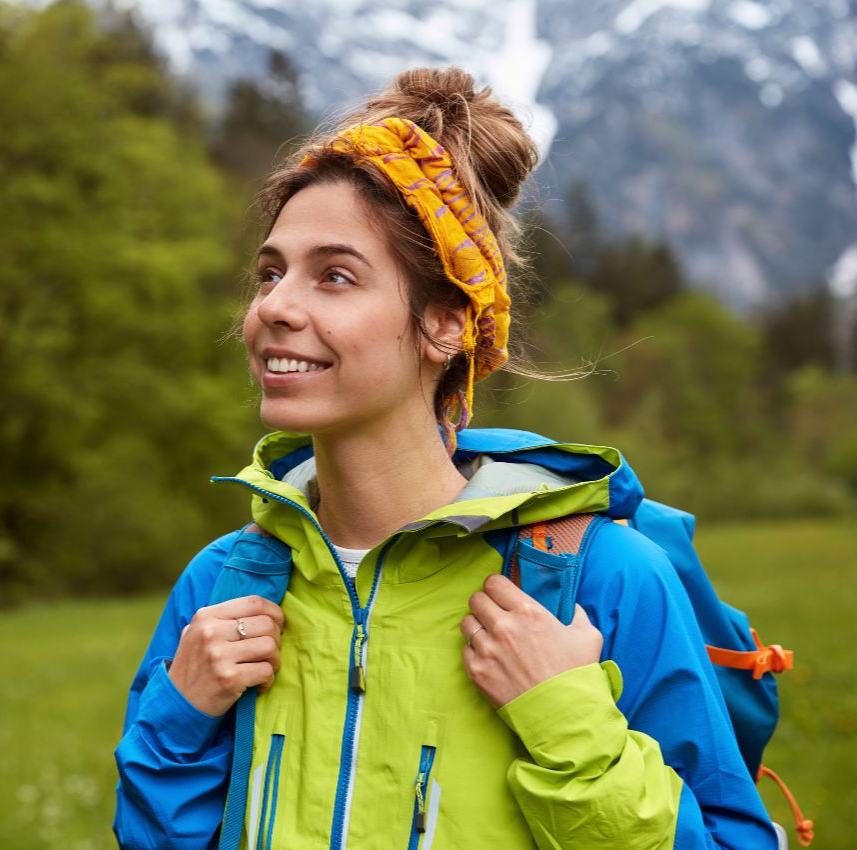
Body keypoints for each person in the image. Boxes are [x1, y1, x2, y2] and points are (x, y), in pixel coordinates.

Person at [113, 67, 779, 849]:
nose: (274, 308)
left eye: (334, 276)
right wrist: (178, 721)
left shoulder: (600, 580)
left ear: (444, 326)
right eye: (270, 272)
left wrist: (567, 720)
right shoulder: (226, 582)